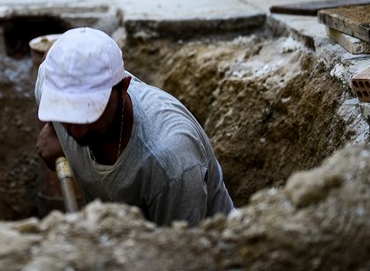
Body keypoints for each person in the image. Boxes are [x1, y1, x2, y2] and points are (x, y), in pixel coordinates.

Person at [34, 27, 235, 227]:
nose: (77, 131)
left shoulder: (170, 163)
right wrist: (53, 128)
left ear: (123, 88)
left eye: (90, 113)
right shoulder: (51, 83)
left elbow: (182, 252)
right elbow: (46, 65)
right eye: (66, 113)